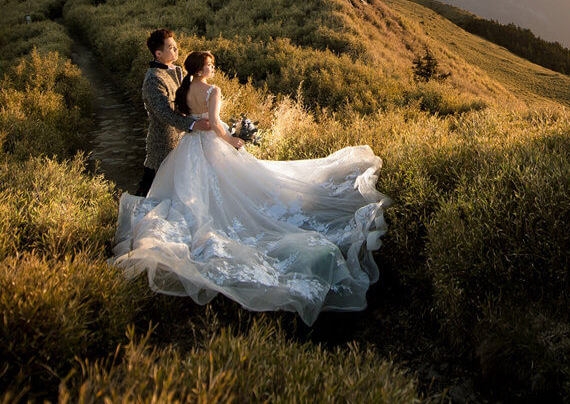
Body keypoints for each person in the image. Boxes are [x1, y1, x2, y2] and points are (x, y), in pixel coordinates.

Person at [113, 51, 390, 325]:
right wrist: (232, 139)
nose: (213, 68)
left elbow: (191, 120)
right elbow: (216, 128)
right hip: (212, 145)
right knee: (238, 185)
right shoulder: (213, 90)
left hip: (190, 148)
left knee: (199, 188)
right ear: (200, 69)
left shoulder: (185, 88)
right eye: (210, 64)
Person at [134, 29, 211, 196]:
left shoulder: (176, 70)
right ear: (158, 53)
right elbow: (163, 113)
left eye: (175, 46)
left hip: (183, 141)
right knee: (151, 192)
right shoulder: (153, 78)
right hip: (163, 143)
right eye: (171, 47)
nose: (176, 49)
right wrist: (193, 124)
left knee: (179, 189)